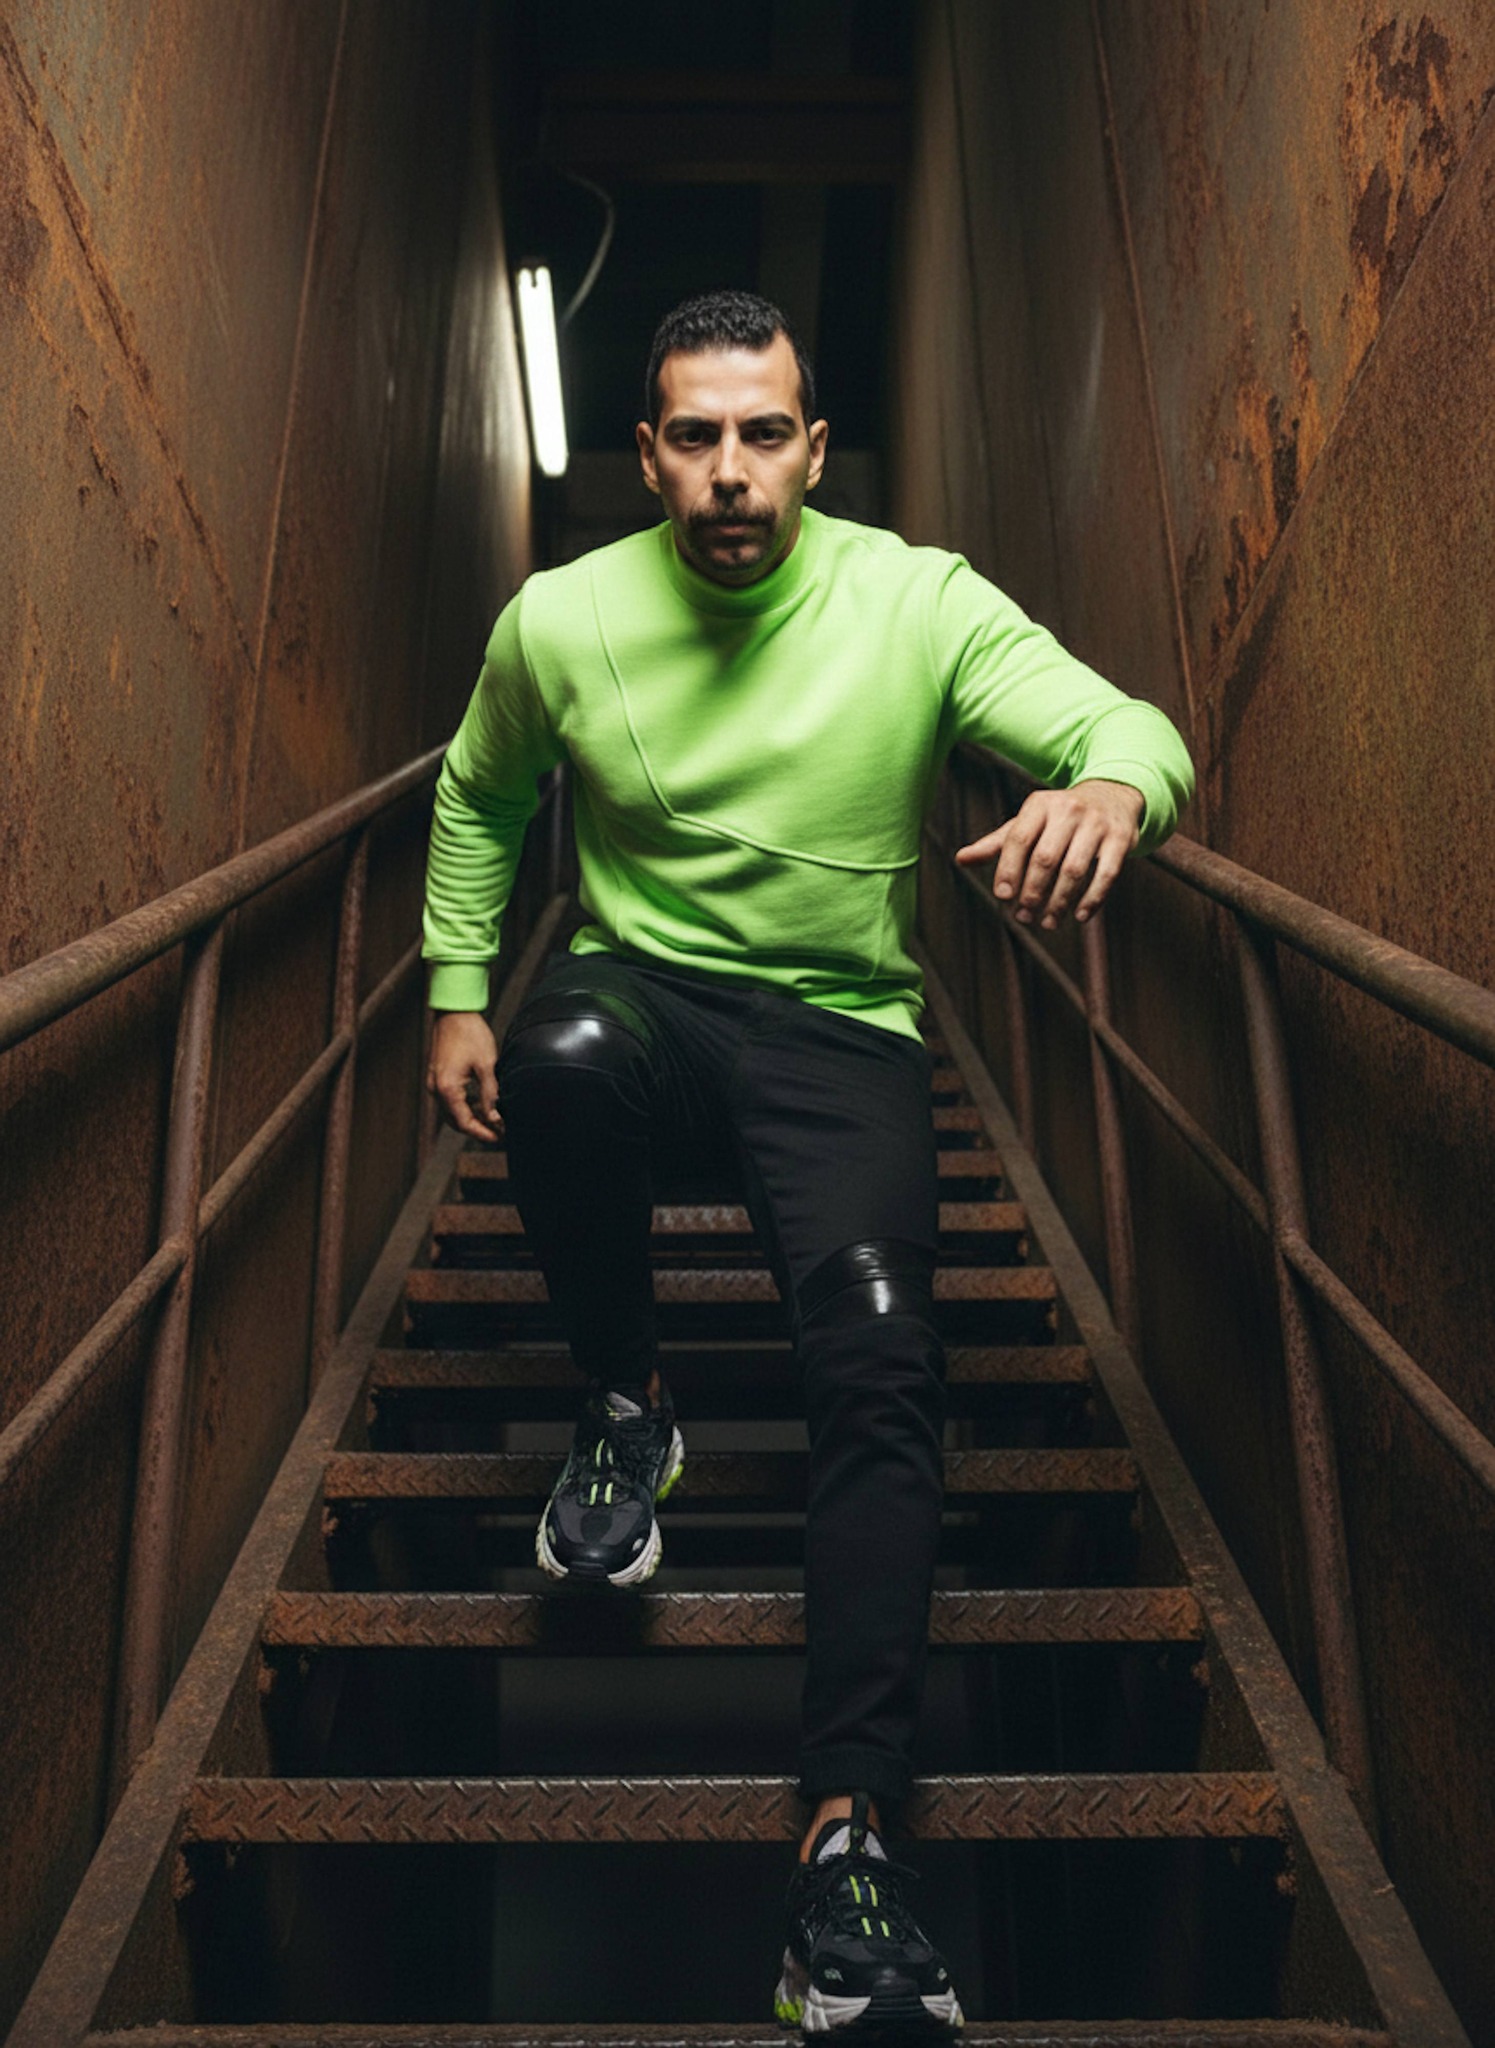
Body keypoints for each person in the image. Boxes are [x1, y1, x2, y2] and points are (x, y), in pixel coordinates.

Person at [422, 290, 1194, 2038]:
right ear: (646, 455)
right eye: (693, 436)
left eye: (763, 433)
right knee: (559, 1055)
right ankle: (628, 1404)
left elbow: (1129, 726)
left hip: (843, 1037)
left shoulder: (917, 600)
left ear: (815, 448)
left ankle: (845, 1840)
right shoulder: (560, 620)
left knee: (878, 1374)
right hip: (643, 1006)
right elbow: (478, 801)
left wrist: (1116, 797)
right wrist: (458, 991)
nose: (729, 473)